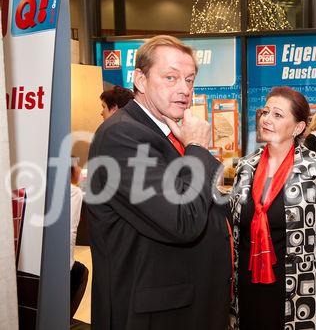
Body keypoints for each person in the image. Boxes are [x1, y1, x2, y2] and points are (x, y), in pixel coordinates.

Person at [86, 35, 231, 330]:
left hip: (182, 304)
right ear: (140, 79)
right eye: (170, 77)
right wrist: (198, 149)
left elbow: (204, 193)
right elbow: (182, 220)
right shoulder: (123, 136)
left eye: (189, 80)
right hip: (156, 313)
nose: (184, 90)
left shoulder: (161, 132)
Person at [229, 86, 316, 330]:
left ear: (298, 128)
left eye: (278, 115)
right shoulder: (246, 167)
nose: (267, 119)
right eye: (266, 112)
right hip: (248, 288)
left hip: (296, 291)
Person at [70, 156, 88, 319]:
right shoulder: (74, 192)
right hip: (67, 261)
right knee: (82, 272)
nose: (80, 169)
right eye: (77, 167)